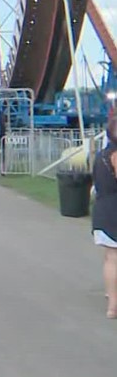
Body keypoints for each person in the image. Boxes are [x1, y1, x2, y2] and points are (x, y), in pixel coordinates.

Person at [92, 112, 117, 319]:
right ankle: (114, 305)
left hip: (103, 208)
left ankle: (112, 300)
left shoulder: (101, 155)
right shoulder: (115, 156)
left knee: (110, 258)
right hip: (114, 210)